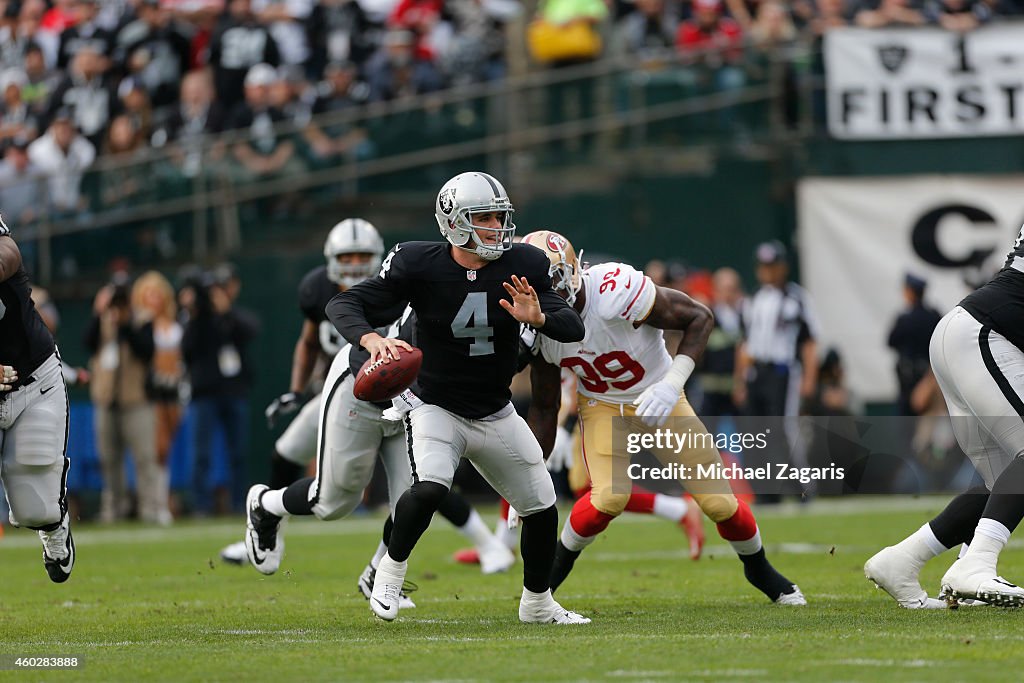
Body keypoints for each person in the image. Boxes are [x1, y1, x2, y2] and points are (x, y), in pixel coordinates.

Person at [326, 171, 590, 624]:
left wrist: (541, 315)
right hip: (435, 404)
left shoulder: (523, 262)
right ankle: (387, 576)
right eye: (484, 217)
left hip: (494, 409)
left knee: (543, 506)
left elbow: (573, 326)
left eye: (500, 216)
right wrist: (371, 341)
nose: (496, 226)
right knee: (429, 486)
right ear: (453, 222)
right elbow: (344, 306)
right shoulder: (417, 263)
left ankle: (538, 603)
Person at [518, 230, 804, 605]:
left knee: (719, 503)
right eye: (538, 286)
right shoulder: (540, 330)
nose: (549, 293)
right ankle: (544, 587)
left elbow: (699, 317)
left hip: (660, 394)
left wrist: (672, 384)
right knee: (607, 498)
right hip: (602, 405)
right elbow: (543, 405)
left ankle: (759, 568)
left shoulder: (613, 288)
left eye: (553, 280)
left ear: (574, 270)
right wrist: (529, 474)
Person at [226, 219, 515, 577]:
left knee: (416, 497)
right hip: (357, 386)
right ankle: (266, 506)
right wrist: (299, 388)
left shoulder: (432, 288)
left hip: (409, 397)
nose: (355, 264)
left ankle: (380, 575)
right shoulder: (348, 287)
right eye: (347, 257)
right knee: (332, 501)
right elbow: (327, 324)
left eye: (363, 255)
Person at [865, 227, 1024, 608]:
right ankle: (976, 565)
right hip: (984, 335)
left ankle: (901, 561)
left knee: (1000, 483)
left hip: (970, 332)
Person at [0, 214, 75, 582]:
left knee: (34, 508)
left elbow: (5, 254)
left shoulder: (6, 250)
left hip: (33, 382)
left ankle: (54, 529)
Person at [733, 240, 820, 503]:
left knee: (784, 429)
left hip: (783, 372)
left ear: (783, 267)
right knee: (755, 433)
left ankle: (803, 487)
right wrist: (740, 380)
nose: (767, 271)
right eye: (763, 266)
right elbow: (745, 344)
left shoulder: (796, 298)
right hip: (757, 372)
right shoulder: (753, 299)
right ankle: (766, 492)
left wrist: (809, 377)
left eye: (772, 266)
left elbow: (809, 341)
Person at [84, 272, 163, 524]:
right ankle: (114, 509)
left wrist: (127, 323)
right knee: (108, 459)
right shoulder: (103, 319)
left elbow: (147, 351)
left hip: (136, 399)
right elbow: (88, 342)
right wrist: (99, 313)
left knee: (144, 457)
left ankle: (150, 507)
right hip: (106, 400)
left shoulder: (142, 319)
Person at [887, 273, 942, 417]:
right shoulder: (934, 316)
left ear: (910, 292)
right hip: (930, 379)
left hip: (911, 380)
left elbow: (891, 342)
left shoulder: (905, 319)